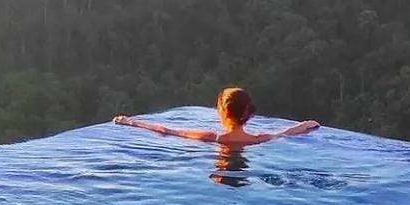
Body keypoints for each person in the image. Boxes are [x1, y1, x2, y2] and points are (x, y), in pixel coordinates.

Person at [113, 87, 319, 146]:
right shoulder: (259, 140)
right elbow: (285, 133)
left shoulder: (213, 138)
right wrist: (306, 124)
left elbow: (167, 131)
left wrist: (131, 122)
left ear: (224, 112)